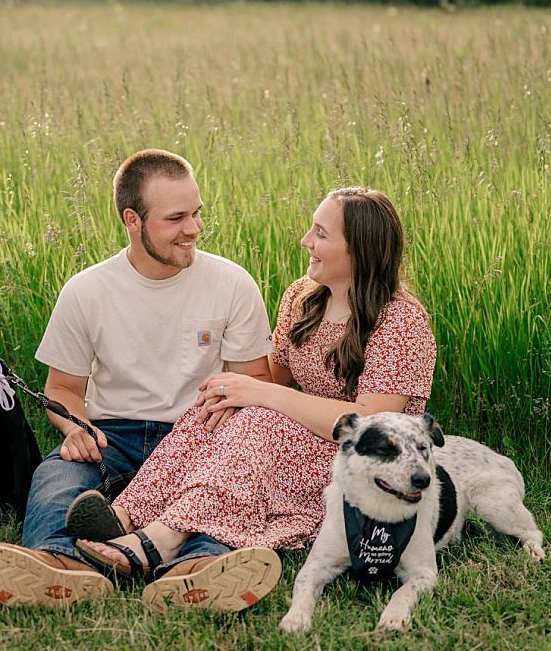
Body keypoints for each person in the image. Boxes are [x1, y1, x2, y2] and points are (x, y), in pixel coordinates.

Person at [70, 186, 437, 614]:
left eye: (320, 233)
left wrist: (259, 394)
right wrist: (232, 393)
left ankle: (160, 540)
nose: (306, 241)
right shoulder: (303, 298)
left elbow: (373, 421)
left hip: (365, 461)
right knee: (218, 405)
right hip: (301, 441)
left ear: (357, 250)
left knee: (257, 417)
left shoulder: (400, 321)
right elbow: (272, 378)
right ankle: (126, 517)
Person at [0, 149, 275, 609]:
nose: (193, 229)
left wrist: (215, 434)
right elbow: (63, 388)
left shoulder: (232, 283)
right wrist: (78, 429)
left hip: (200, 434)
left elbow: (253, 383)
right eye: (176, 218)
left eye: (196, 213)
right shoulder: (87, 290)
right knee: (57, 475)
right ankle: (59, 567)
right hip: (113, 436)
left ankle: (198, 570)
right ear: (132, 220)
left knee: (219, 488)